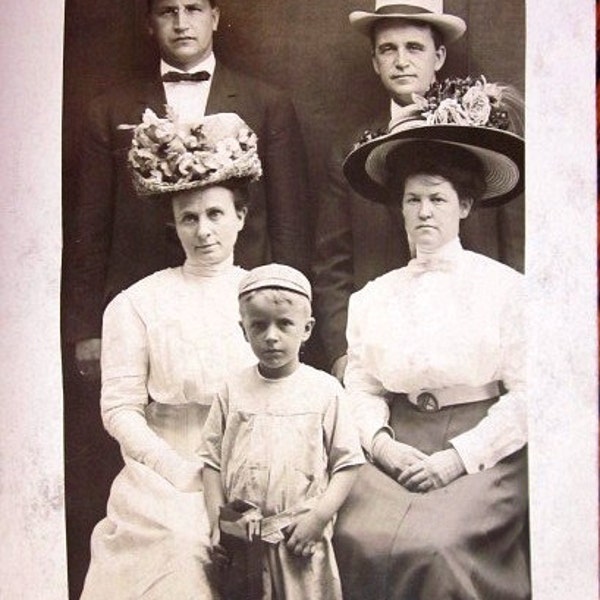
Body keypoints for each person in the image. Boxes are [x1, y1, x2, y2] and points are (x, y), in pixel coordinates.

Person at [332, 80, 530, 599]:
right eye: (412, 199)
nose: (424, 212)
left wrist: (458, 458)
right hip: (397, 442)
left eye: (437, 199)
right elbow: (362, 385)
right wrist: (381, 446)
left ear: (464, 206)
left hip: (483, 447)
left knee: (437, 545)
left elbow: (531, 396)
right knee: (350, 534)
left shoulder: (506, 289)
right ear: (399, 207)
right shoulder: (374, 296)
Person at [64, 0, 310, 378]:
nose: (181, 23)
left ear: (214, 17)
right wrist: (86, 328)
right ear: (149, 23)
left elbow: (289, 222)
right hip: (144, 303)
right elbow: (90, 226)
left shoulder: (267, 104)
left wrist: (290, 310)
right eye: (168, 11)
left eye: (193, 9)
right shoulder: (110, 110)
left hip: (239, 301)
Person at [80, 112, 262, 599]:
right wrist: (180, 471)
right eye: (189, 217)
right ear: (174, 224)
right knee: (185, 547)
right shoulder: (137, 303)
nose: (203, 231)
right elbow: (119, 409)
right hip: (168, 474)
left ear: (240, 217)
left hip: (254, 460)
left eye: (216, 214)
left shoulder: (264, 294)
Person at [312, 0, 524, 381]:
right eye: (388, 49)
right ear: (375, 61)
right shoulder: (351, 150)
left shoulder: (483, 138)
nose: (401, 61)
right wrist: (344, 355)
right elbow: (332, 265)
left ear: (438, 56)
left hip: (473, 350)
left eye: (414, 48)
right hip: (383, 352)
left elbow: (513, 245)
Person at [199, 264, 365, 599]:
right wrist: (220, 523)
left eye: (284, 324)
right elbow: (211, 463)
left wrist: (318, 519)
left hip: (299, 537)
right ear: (243, 329)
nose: (271, 336)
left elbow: (348, 464)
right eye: (258, 325)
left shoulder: (325, 390)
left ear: (307, 328)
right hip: (243, 540)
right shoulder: (233, 390)